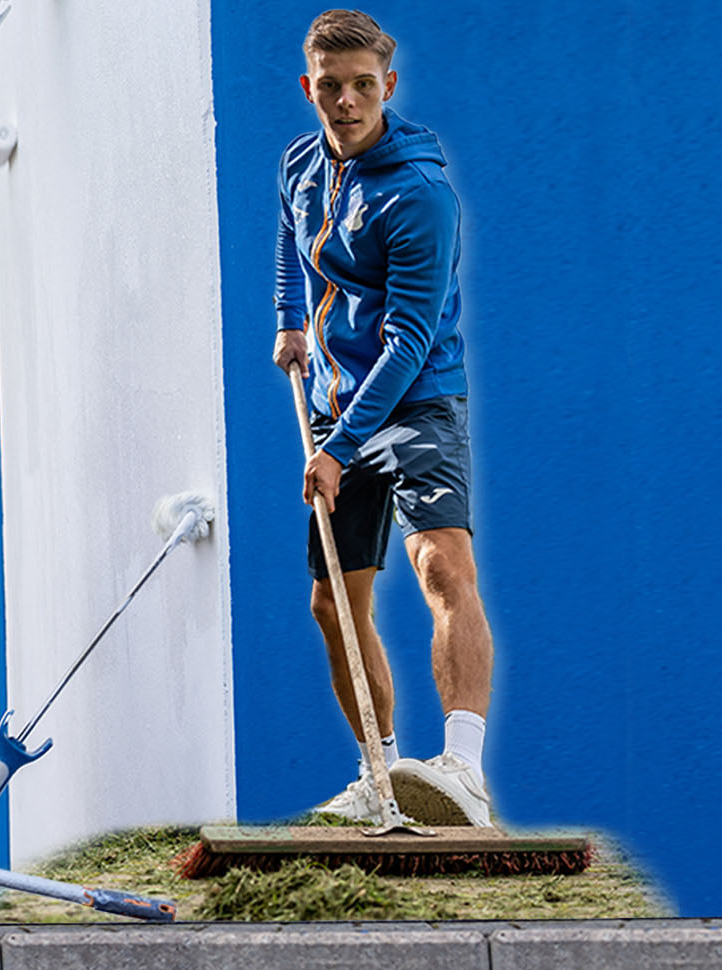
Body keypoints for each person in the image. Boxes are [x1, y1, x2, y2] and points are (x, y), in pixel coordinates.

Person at [273, 9, 496, 828]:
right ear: (311, 88)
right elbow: (289, 243)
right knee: (335, 601)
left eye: (364, 86)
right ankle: (383, 773)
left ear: (387, 86)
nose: (347, 101)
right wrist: (288, 317)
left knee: (443, 568)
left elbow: (407, 341)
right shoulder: (302, 164)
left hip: (418, 398)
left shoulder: (419, 193)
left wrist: (336, 449)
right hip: (337, 402)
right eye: (331, 87)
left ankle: (464, 770)